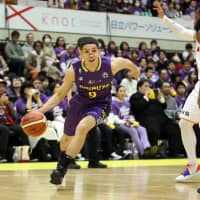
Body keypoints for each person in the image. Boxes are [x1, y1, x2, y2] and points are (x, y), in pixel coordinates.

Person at [37, 37, 140, 185]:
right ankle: (64, 162)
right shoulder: (73, 70)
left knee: (83, 127)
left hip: (101, 105)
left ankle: (60, 169)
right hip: (80, 103)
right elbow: (60, 94)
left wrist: (136, 71)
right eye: (86, 51)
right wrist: (41, 111)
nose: (91, 54)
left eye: (94, 51)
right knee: (66, 140)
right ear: (80, 54)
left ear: (99, 51)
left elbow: (127, 62)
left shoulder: (111, 64)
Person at [154, 1, 200, 182]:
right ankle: (193, 164)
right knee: (184, 123)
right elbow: (181, 32)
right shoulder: (196, 36)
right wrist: (164, 18)